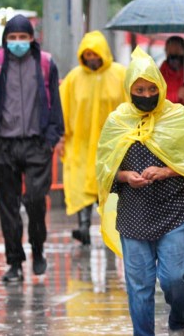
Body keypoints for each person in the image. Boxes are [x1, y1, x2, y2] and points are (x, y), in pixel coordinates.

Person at [95, 47, 184, 336]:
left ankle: (179, 320)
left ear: (161, 87)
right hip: (133, 215)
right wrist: (126, 176)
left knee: (175, 279)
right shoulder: (117, 121)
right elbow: (104, 168)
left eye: (151, 88)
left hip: (173, 212)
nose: (146, 93)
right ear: (130, 89)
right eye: (139, 88)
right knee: (139, 286)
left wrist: (166, 171)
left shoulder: (176, 117)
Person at [0, 15, 64, 282]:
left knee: (36, 200)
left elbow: (55, 104)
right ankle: (14, 263)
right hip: (3, 145)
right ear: (5, 40)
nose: (17, 42)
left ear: (31, 39)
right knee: (8, 206)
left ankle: (38, 249)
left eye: (22, 37)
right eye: (12, 38)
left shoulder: (46, 64)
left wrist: (51, 139)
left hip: (37, 143)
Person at [58, 30, 127, 246]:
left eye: (95, 54)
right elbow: (63, 109)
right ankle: (83, 226)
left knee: (109, 188)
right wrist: (60, 137)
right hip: (80, 144)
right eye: (87, 55)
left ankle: (111, 230)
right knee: (80, 186)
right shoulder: (73, 78)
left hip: (113, 145)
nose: (92, 59)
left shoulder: (120, 75)